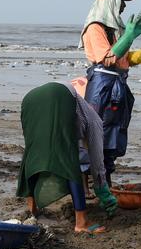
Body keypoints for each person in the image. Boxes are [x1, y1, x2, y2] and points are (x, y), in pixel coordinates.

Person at [17, 81, 118, 233]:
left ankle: (33, 211)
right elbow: (97, 158)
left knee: (33, 153)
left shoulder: (76, 112)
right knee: (70, 161)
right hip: (58, 94)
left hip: (29, 99)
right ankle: (81, 223)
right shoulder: (95, 120)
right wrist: (101, 187)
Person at [80, 0, 141, 185]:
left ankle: (105, 180)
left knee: (114, 130)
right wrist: (129, 36)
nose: (124, 6)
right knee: (96, 130)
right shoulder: (95, 27)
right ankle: (85, 185)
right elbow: (107, 59)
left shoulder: (112, 29)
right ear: (110, 2)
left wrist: (135, 57)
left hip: (117, 84)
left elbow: (119, 58)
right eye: (121, 1)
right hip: (102, 84)